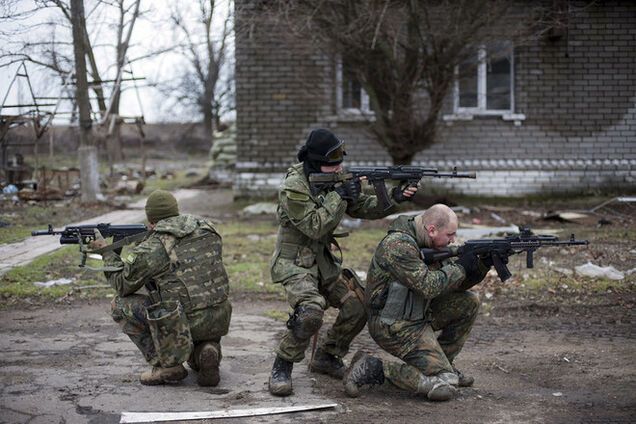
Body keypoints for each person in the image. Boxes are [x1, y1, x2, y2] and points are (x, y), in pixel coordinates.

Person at [268, 128, 417, 396]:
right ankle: (283, 365)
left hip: (323, 262)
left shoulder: (333, 179)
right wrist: (340, 195)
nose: (339, 167)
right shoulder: (294, 187)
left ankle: (327, 355)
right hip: (295, 264)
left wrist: (394, 198)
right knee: (311, 312)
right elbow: (314, 226)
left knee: (359, 304)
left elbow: (362, 207)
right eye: (332, 162)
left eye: (341, 160)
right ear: (315, 162)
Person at [343, 204, 491, 401]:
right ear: (431, 230)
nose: (453, 240)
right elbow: (428, 286)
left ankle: (443, 364)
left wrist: (481, 266)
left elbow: (453, 285)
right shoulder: (398, 246)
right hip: (393, 324)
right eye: (450, 235)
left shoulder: (431, 243)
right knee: (445, 385)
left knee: (468, 302)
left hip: (419, 313)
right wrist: (461, 267)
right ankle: (373, 367)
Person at [89, 189, 232, 386]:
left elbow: (122, 285)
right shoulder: (207, 228)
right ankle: (206, 351)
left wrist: (105, 252)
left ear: (150, 218)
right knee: (190, 298)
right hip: (217, 317)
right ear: (175, 210)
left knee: (119, 305)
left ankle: (166, 365)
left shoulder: (154, 246)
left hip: (181, 322)